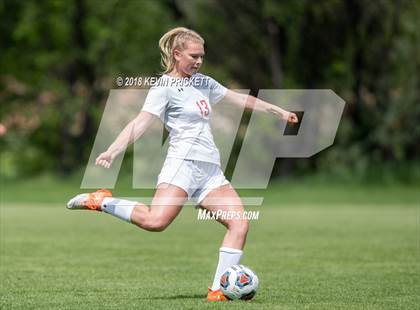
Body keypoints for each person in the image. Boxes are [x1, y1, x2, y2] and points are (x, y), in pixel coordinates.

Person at [67, 27, 298, 301]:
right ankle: (101, 201)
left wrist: (279, 111)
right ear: (177, 54)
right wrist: (113, 150)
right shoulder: (164, 88)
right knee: (155, 222)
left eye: (202, 56)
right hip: (182, 165)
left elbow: (241, 100)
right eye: (194, 56)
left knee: (240, 224)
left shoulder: (204, 83)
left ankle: (217, 292)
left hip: (210, 171)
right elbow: (140, 122)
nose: (199, 61)